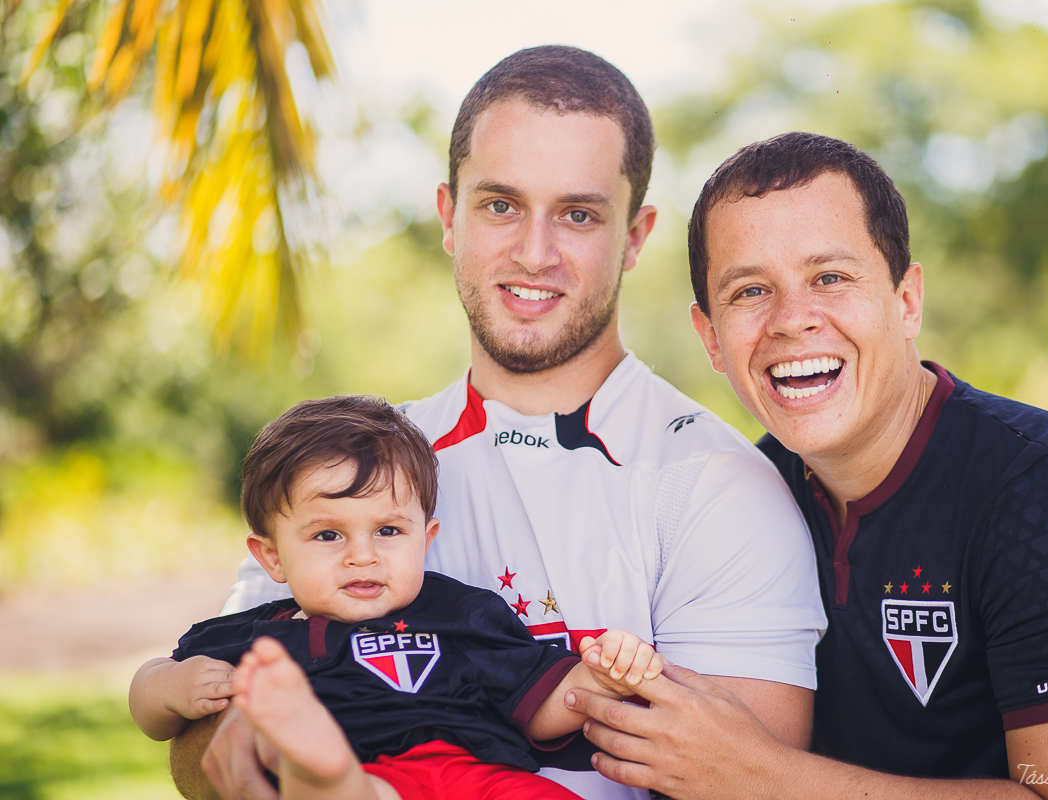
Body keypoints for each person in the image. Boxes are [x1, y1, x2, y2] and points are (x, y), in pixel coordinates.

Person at [172, 47, 827, 800]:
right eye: (500, 205)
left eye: (578, 214)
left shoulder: (718, 488)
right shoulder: (350, 467)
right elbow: (206, 722)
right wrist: (239, 750)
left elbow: (752, 783)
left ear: (636, 237)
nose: (534, 252)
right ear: (450, 216)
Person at [565, 131, 1048, 799]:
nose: (792, 319)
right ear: (710, 339)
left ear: (907, 301)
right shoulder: (732, 501)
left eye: (830, 278)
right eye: (750, 292)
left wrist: (765, 779)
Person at [133, 395, 666, 800]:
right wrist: (168, 686)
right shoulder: (258, 638)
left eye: (387, 531)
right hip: (367, 772)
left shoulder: (461, 615)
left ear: (425, 539)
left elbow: (536, 703)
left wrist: (597, 674)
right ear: (271, 557)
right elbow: (155, 714)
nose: (362, 556)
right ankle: (326, 772)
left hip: (479, 775)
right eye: (328, 535)